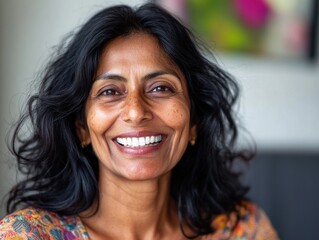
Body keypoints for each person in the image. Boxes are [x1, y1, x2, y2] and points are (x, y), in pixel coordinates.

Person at [0, 3, 278, 240]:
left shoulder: (242, 230)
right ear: (81, 127)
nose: (136, 111)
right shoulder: (28, 234)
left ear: (194, 120)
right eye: (109, 92)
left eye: (160, 88)